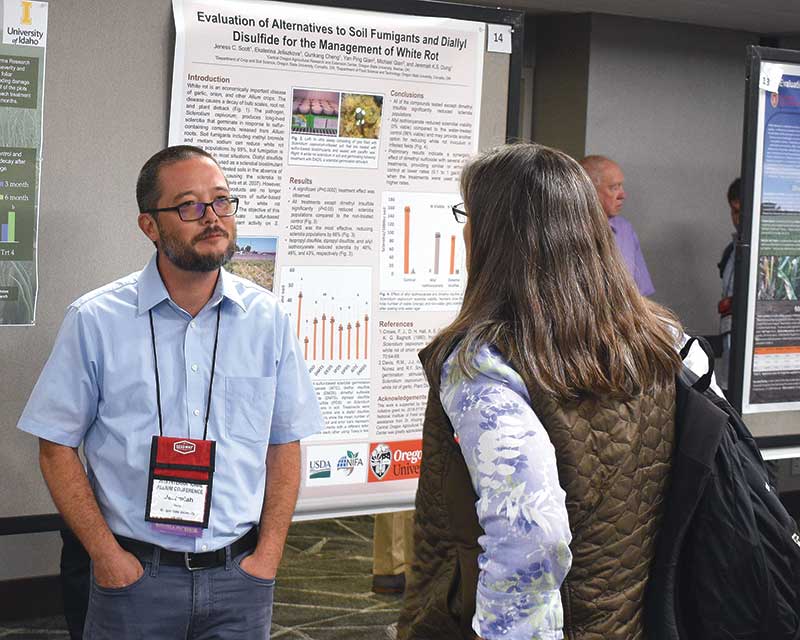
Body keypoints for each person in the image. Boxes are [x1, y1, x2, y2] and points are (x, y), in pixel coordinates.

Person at [398, 143, 712, 639]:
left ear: (497, 235)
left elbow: (533, 538)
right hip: (631, 619)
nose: (464, 229)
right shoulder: (662, 344)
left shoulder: (485, 364)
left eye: (468, 214)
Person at [18, 145, 323, 639]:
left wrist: (268, 557)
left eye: (222, 201)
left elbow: (284, 443)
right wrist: (107, 556)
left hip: (239, 580)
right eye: (189, 206)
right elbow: (54, 445)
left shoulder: (268, 320)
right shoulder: (95, 320)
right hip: (136, 579)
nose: (212, 218)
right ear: (149, 226)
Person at [580, 155, 655, 296]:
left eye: (621, 186)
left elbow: (641, 295)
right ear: (589, 191)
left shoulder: (625, 231)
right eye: (614, 188)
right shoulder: (561, 230)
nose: (623, 195)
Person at [717, 177, 741, 392]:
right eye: (734, 211)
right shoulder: (730, 252)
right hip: (729, 339)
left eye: (743, 211)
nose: (738, 218)